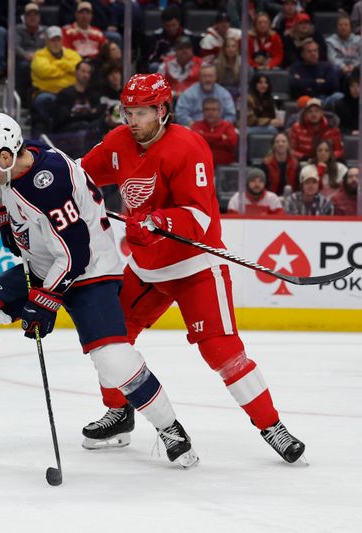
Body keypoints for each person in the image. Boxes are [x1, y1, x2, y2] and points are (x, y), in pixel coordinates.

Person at [0, 112, 200, 469]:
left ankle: (172, 430)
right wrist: (14, 227)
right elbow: (37, 228)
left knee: (113, 360)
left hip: (90, 273)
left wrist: (45, 302)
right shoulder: (20, 167)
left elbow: (76, 253)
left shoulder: (47, 182)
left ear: (6, 154)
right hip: (47, 267)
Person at [80, 73, 305, 464]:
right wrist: (34, 182)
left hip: (195, 266)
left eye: (140, 112)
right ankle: (119, 413)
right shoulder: (117, 143)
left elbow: (199, 218)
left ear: (162, 110)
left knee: (223, 353)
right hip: (148, 268)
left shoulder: (188, 147)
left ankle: (272, 427)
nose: (131, 120)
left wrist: (160, 222)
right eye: (127, 111)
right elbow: (78, 179)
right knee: (110, 337)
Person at [30, 25, 82, 135]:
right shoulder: (39, 55)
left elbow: (79, 68)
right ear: (47, 41)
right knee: (43, 100)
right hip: (48, 93)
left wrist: (57, 64)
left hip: (69, 93)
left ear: (62, 40)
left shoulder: (72, 54)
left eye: (58, 40)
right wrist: (67, 68)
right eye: (52, 40)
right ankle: (47, 134)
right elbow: (44, 71)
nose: (55, 43)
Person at [190, 97, 239, 166]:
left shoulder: (228, 126)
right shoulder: (196, 125)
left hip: (226, 167)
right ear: (203, 111)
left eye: (213, 109)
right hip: (202, 167)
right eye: (207, 109)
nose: (210, 112)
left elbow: (232, 142)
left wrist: (204, 136)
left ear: (219, 111)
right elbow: (195, 142)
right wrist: (220, 136)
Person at [326, 13, 362, 78]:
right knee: (334, 68)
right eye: (340, 25)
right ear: (336, 27)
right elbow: (332, 59)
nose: (343, 27)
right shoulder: (330, 41)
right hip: (339, 69)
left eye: (346, 25)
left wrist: (354, 66)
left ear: (351, 27)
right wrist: (343, 67)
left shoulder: (359, 40)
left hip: (356, 67)